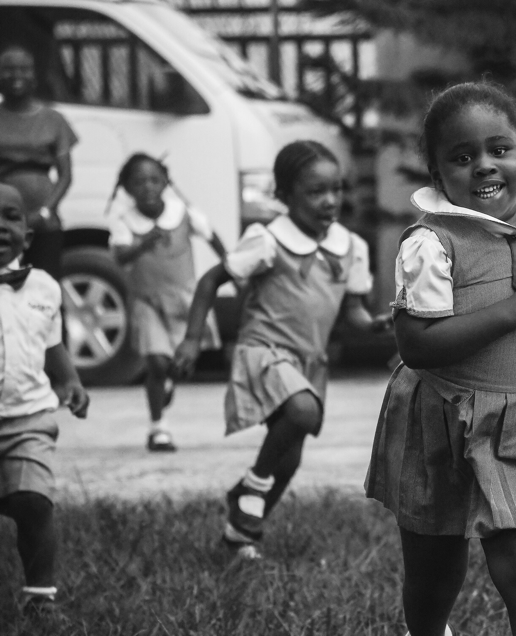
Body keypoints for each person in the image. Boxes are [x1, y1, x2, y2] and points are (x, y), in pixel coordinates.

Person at [364, 82, 516, 636]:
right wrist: (514, 311)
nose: (485, 167)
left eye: (500, 150)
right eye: (462, 158)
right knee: (435, 568)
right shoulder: (432, 241)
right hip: (442, 415)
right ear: (438, 172)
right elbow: (416, 345)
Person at [173, 140, 391, 560]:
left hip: (310, 364)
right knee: (302, 412)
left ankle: (240, 535)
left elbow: (354, 314)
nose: (330, 201)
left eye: (337, 190)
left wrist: (377, 325)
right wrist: (192, 337)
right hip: (265, 351)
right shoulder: (267, 240)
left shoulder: (351, 247)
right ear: (285, 195)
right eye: (315, 192)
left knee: (288, 461)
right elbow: (209, 282)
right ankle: (249, 488)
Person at [0, 183, 89, 616]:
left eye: (11, 216)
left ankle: (40, 597)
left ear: (28, 234)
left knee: (34, 502)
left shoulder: (45, 288)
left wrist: (70, 380)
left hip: (28, 416)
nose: (1, 227)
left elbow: (50, 343)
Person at [108, 153, 226, 453]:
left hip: (185, 301)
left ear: (165, 183)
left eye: (154, 180)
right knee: (157, 362)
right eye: (138, 182)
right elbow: (120, 256)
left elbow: (212, 236)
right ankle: (158, 429)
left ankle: (166, 384)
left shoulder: (182, 212)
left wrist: (230, 267)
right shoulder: (124, 222)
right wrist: (143, 245)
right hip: (147, 301)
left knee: (178, 364)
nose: (147, 187)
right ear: (126, 188)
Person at [0, 43, 77, 282]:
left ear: (34, 74)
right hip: (2, 225)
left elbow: (65, 175)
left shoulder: (53, 120)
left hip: (45, 223)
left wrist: (45, 212)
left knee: (46, 286)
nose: (17, 75)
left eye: (24, 69)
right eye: (9, 69)